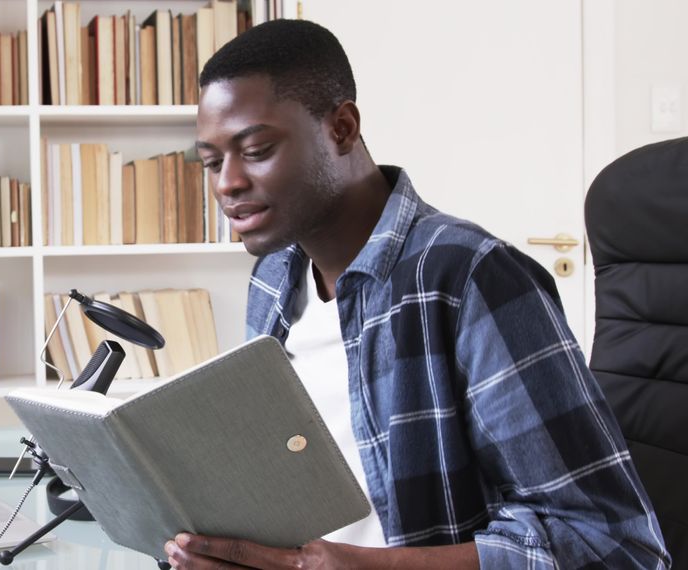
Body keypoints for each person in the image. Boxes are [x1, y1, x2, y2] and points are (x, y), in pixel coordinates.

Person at [165, 19, 671, 569]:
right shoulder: (272, 278)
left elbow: (614, 544)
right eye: (212, 163)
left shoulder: (471, 277)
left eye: (256, 149)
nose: (226, 184)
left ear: (342, 128)